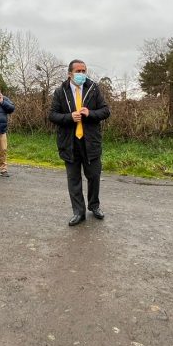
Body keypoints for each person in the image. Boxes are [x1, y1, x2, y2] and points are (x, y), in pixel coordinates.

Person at [48, 59, 110, 226]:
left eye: (84, 71)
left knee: (94, 176)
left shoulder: (93, 88)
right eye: (79, 71)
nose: (82, 74)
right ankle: (78, 212)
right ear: (70, 74)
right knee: (74, 179)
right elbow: (52, 115)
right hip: (70, 143)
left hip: (90, 142)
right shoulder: (60, 91)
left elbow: (105, 111)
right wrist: (69, 117)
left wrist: (90, 113)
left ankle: (94, 206)